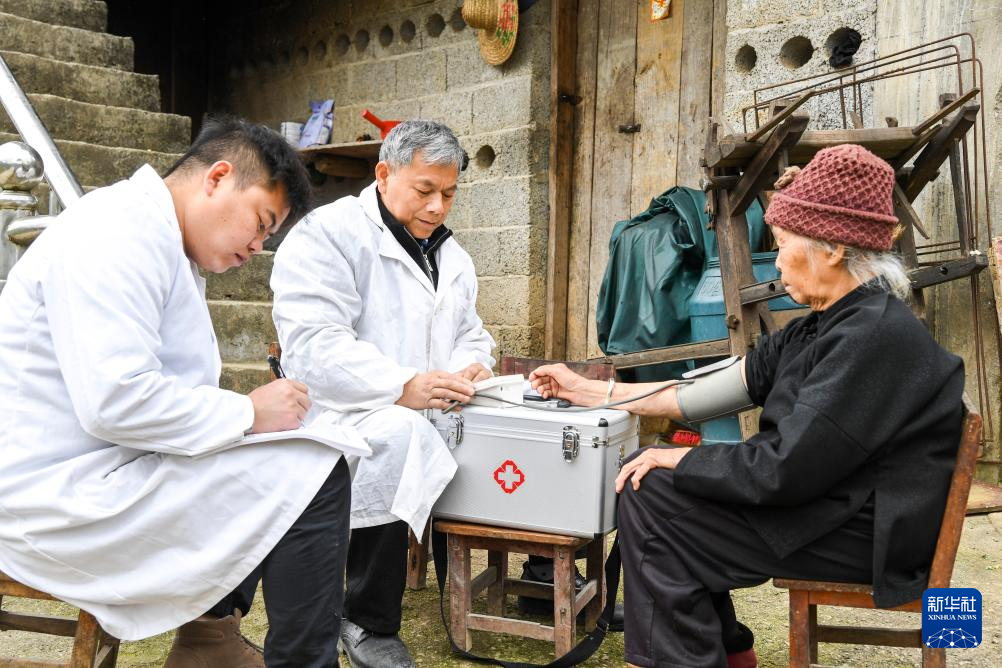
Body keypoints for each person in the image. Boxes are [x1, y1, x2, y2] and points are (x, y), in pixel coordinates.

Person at [528, 144, 965, 668]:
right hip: (831, 503)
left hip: (868, 533)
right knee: (652, 491)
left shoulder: (872, 337)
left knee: (654, 499)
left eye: (781, 244)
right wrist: (584, 389)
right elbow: (699, 393)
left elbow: (786, 469)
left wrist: (684, 458)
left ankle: (706, 656)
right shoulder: (821, 326)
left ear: (830, 249)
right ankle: (728, 652)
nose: (776, 261)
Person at [0, 117, 355, 668]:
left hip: (101, 471)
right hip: (51, 497)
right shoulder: (117, 230)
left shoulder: (161, 240)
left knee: (291, 457)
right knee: (312, 471)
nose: (258, 247)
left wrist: (246, 422)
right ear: (217, 177)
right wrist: (245, 412)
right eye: (261, 223)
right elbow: (115, 399)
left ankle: (209, 641)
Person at [271, 119, 495, 667]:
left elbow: (472, 330)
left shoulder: (451, 254)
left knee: (501, 430)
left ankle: (530, 575)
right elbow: (316, 347)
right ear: (384, 174)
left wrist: (475, 364)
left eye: (448, 194)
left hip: (434, 400)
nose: (438, 207)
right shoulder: (329, 235)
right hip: (342, 408)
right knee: (400, 435)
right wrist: (401, 386)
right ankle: (366, 618)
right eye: (425, 191)